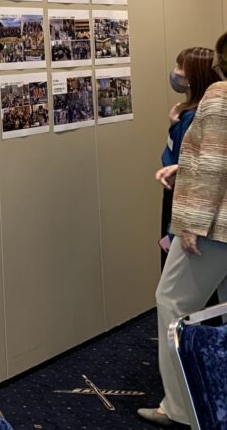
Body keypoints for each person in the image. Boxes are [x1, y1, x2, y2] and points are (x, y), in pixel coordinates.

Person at [139, 33, 227, 427]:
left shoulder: (220, 94)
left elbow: (213, 162)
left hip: (214, 226)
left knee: (172, 302)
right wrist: (184, 167)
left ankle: (182, 408)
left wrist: (191, 223)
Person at [157, 48, 217, 267]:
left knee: (174, 267)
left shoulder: (193, 116)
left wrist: (175, 127)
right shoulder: (185, 112)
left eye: (180, 67)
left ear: (194, 76)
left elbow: (180, 158)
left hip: (184, 196)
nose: (175, 72)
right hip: (175, 192)